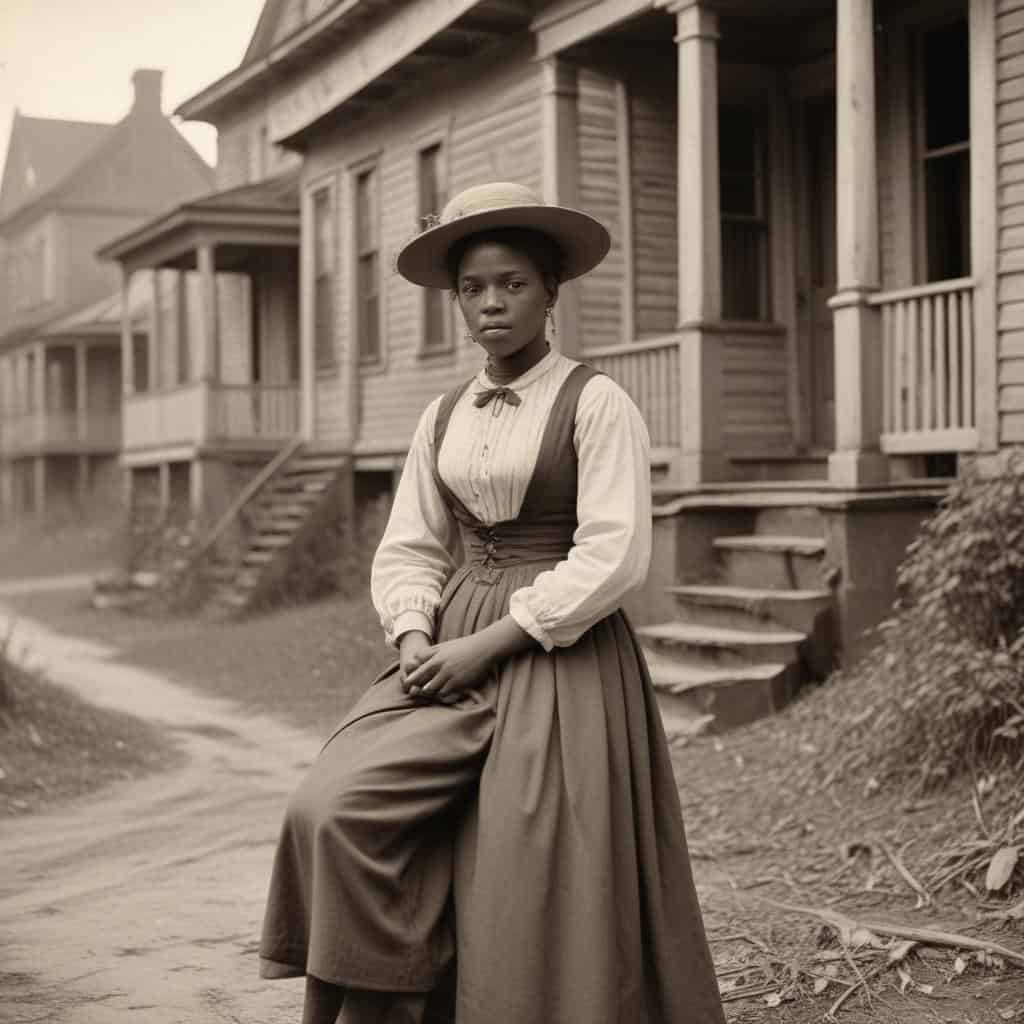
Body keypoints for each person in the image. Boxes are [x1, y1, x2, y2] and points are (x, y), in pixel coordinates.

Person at [258, 181, 725, 1024]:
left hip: (559, 650)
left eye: (512, 283)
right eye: (473, 288)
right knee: (329, 804)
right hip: (446, 646)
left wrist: (500, 639)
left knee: (528, 864)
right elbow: (410, 542)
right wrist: (410, 631)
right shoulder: (442, 416)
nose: (491, 303)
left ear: (551, 291)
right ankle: (386, 999)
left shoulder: (596, 402)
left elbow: (615, 555)